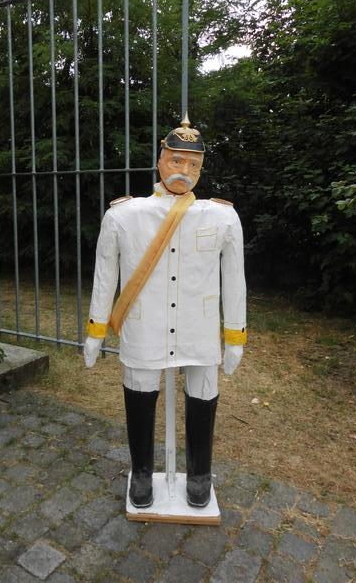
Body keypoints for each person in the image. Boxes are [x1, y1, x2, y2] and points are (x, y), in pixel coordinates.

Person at [84, 114, 247, 508]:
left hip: (199, 328)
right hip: (145, 326)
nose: (183, 170)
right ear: (159, 161)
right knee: (140, 389)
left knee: (204, 391)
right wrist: (95, 331)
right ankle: (141, 471)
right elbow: (104, 277)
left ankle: (200, 473)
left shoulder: (222, 217)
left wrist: (235, 335)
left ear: (201, 168)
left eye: (193, 163)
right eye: (176, 160)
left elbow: (235, 281)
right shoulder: (123, 216)